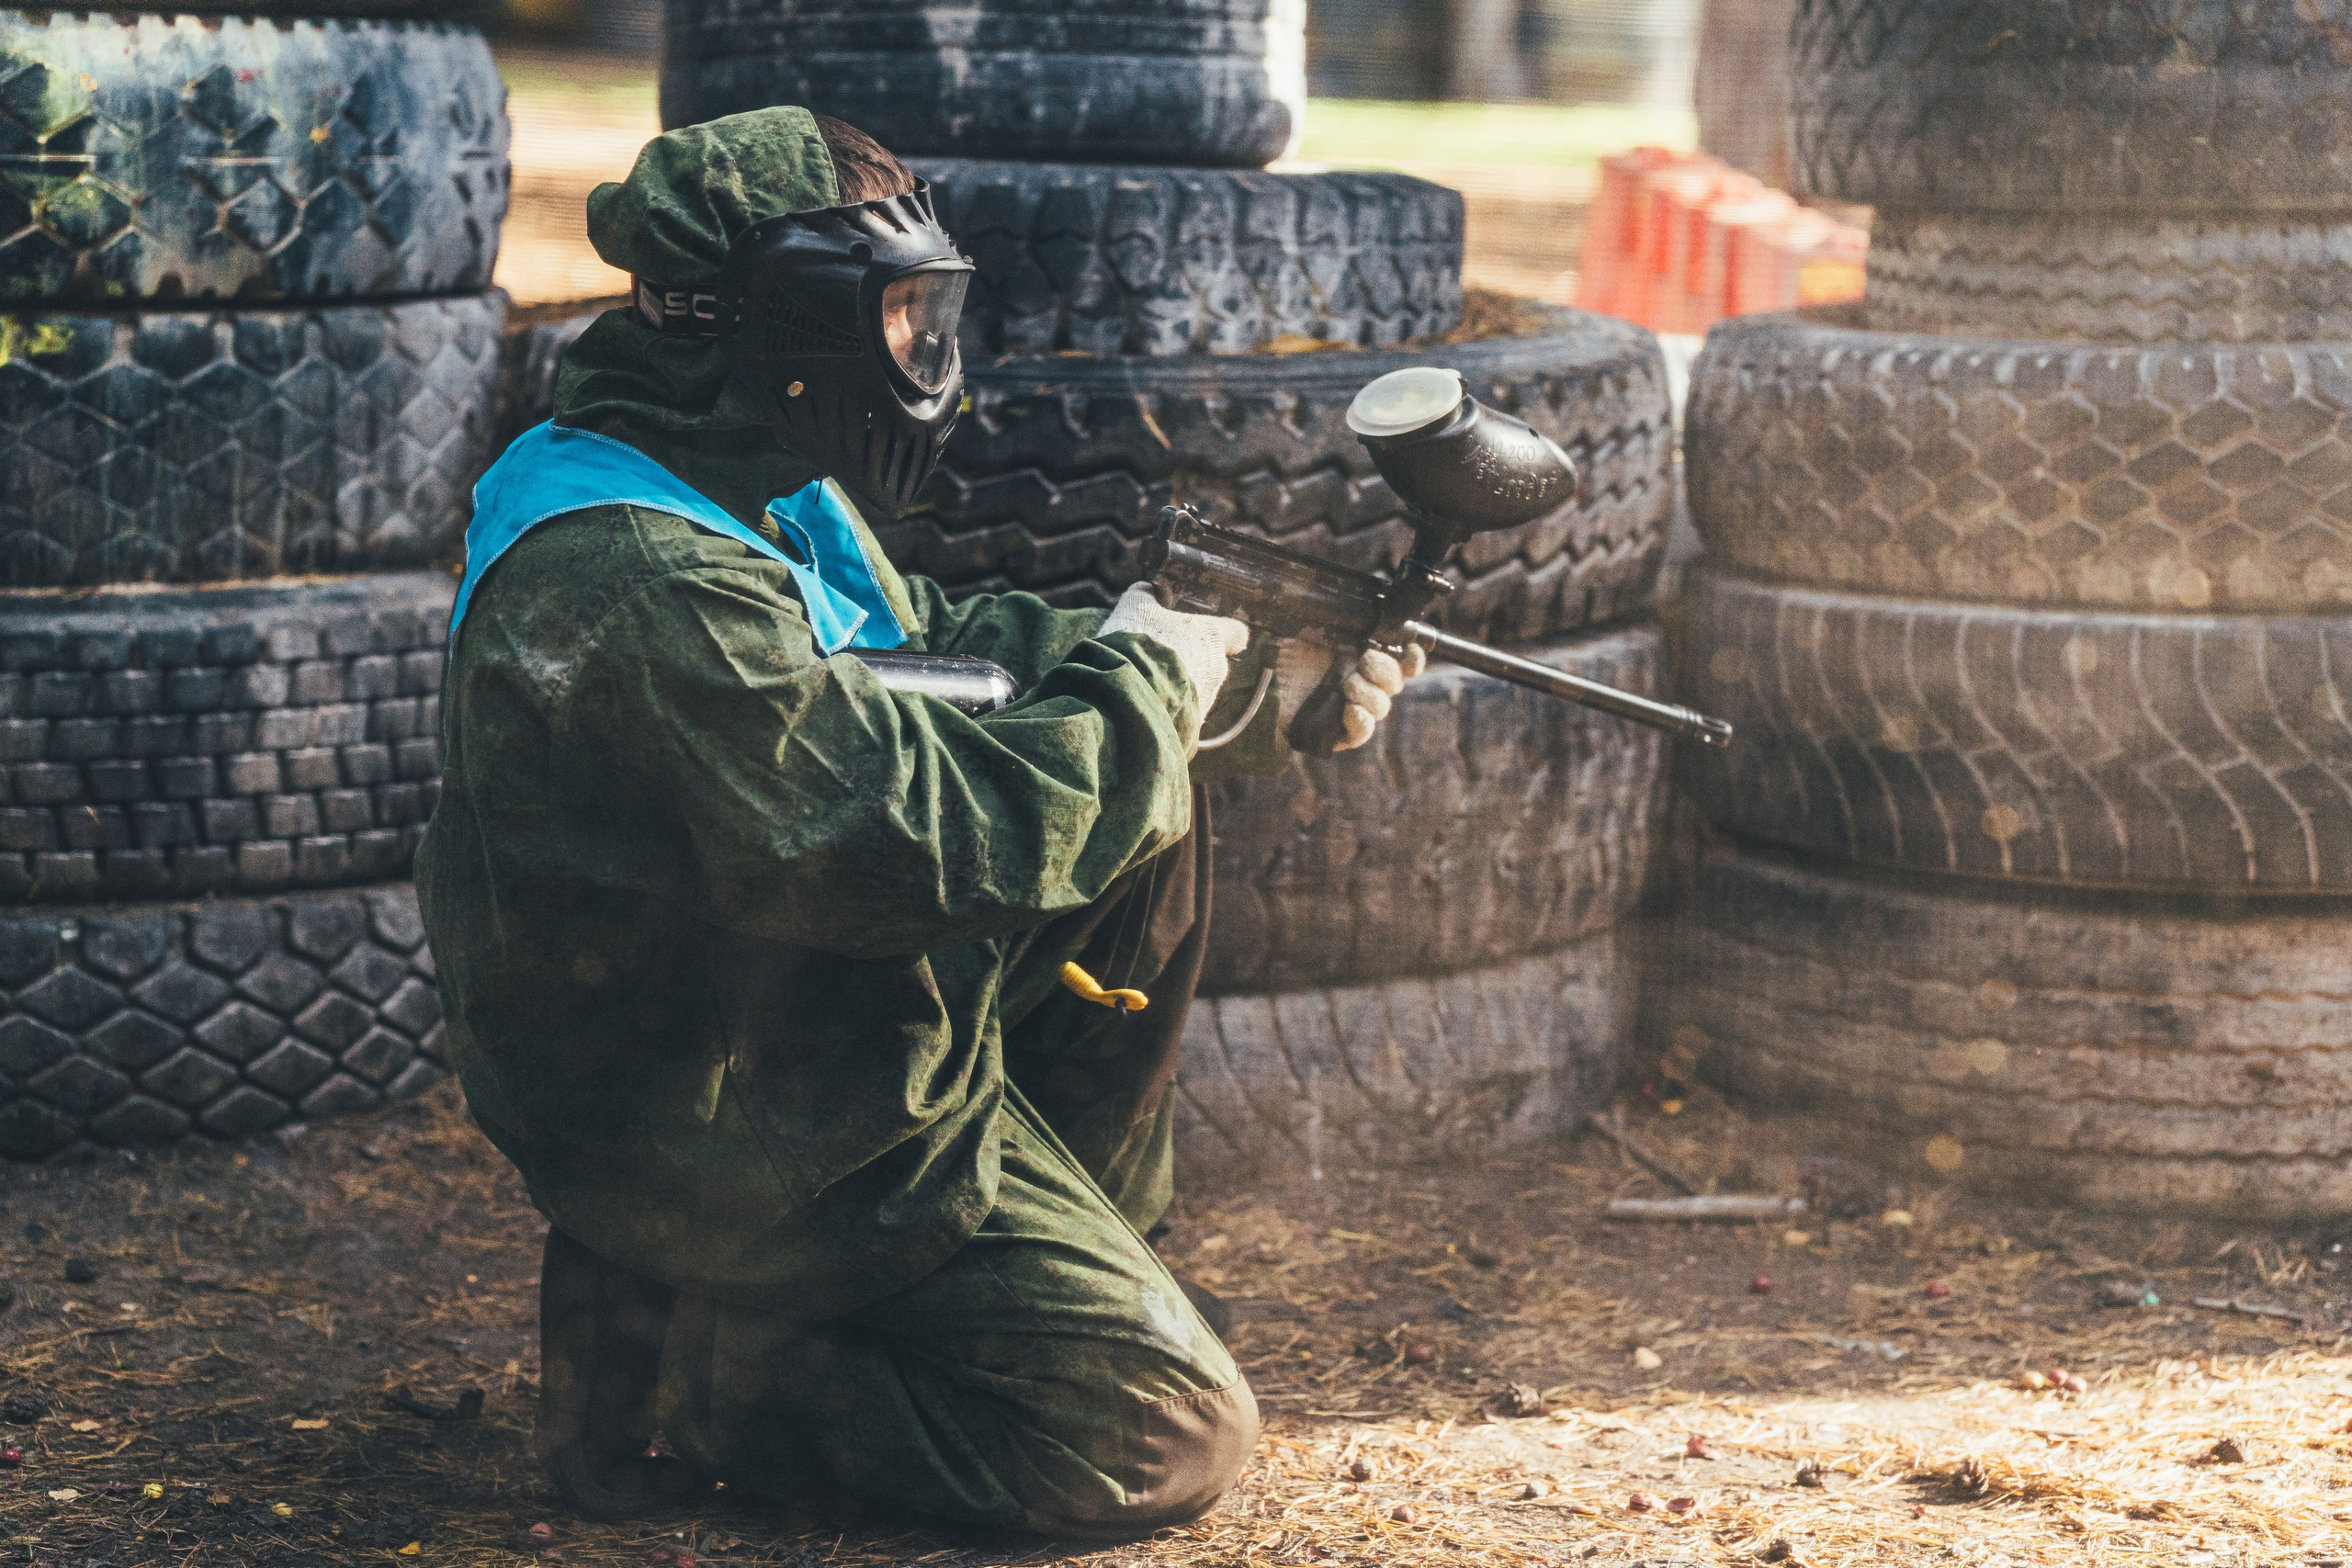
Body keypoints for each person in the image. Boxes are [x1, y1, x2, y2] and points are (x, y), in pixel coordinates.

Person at [416, 106, 1420, 1540]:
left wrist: (1253, 681)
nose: (923, 357)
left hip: (767, 1017)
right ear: (775, 321)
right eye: (894, 316)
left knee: (1145, 811)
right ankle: (700, 1372)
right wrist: (1145, 677)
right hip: (709, 1108)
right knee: (1164, 1437)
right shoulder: (637, 575)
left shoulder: (739, 483)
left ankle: (1024, 1276)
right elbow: (903, 837)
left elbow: (948, 648)